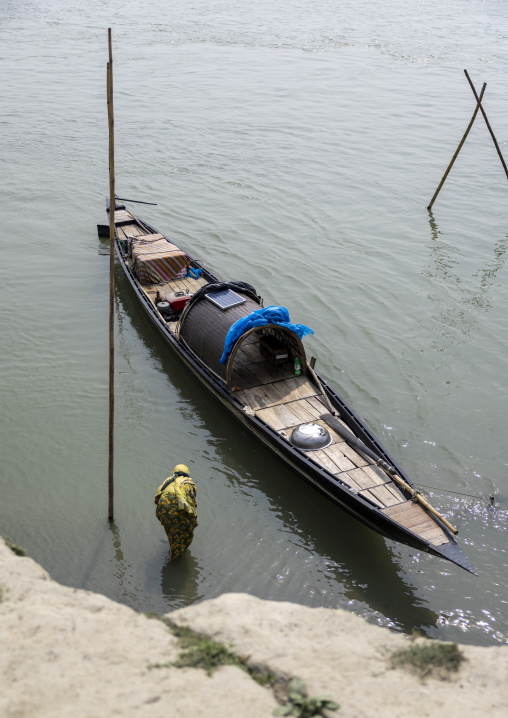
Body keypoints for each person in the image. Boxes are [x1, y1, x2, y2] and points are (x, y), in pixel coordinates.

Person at [154, 464, 198, 560]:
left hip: (163, 512)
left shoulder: (167, 481)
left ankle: (173, 548)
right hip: (178, 512)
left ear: (174, 472)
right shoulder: (190, 484)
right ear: (187, 474)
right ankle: (176, 559)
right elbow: (192, 504)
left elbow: (156, 501)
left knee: (172, 531)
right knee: (187, 532)